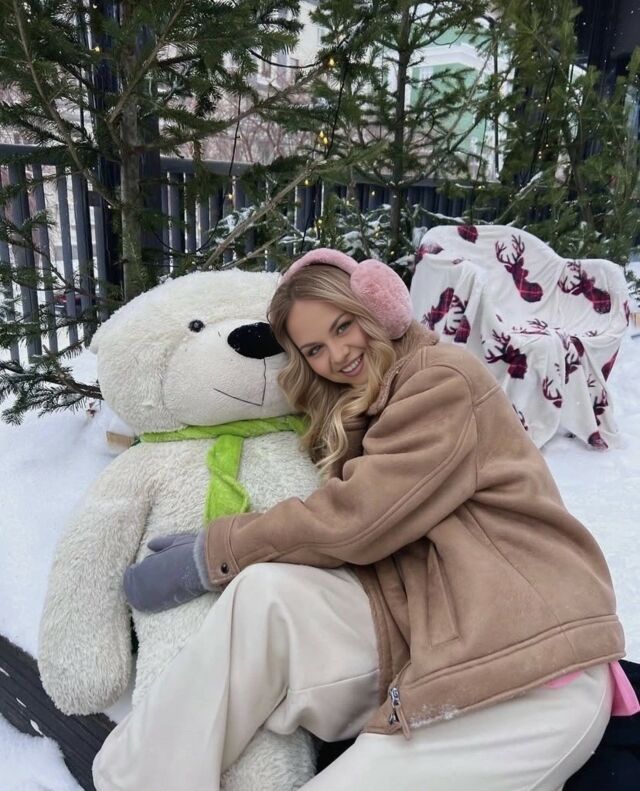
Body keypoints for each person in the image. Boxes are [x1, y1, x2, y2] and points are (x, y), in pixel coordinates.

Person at [93, 249, 638, 791]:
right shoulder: (367, 404)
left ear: (380, 307)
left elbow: (356, 520)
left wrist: (215, 550)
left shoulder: (442, 382)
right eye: (314, 349)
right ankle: (135, 781)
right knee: (265, 595)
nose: (337, 355)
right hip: (425, 628)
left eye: (343, 326)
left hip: (528, 670)